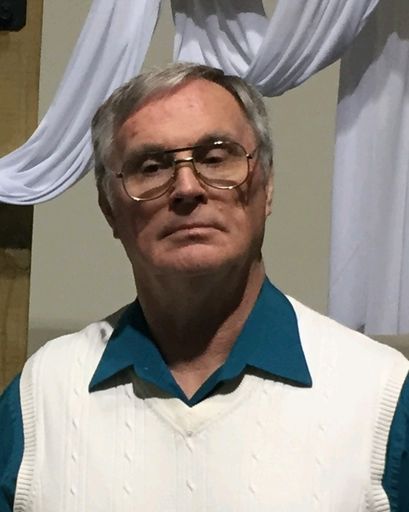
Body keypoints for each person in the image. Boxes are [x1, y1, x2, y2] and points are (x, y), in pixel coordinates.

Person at [1, 63, 409, 511]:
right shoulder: (42, 396)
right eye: (151, 166)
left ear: (267, 185)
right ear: (109, 208)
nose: (187, 187)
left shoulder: (380, 396)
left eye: (215, 158)